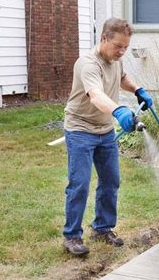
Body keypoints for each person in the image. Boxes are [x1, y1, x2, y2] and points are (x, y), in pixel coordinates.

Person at [62, 17, 153, 256]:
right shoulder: (88, 64)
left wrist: (137, 90)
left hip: (104, 131)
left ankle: (102, 228)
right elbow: (95, 95)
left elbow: (122, 78)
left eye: (126, 47)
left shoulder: (115, 60)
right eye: (118, 46)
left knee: (111, 181)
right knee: (79, 184)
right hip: (80, 129)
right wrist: (118, 110)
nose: (122, 51)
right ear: (103, 38)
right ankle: (72, 236)